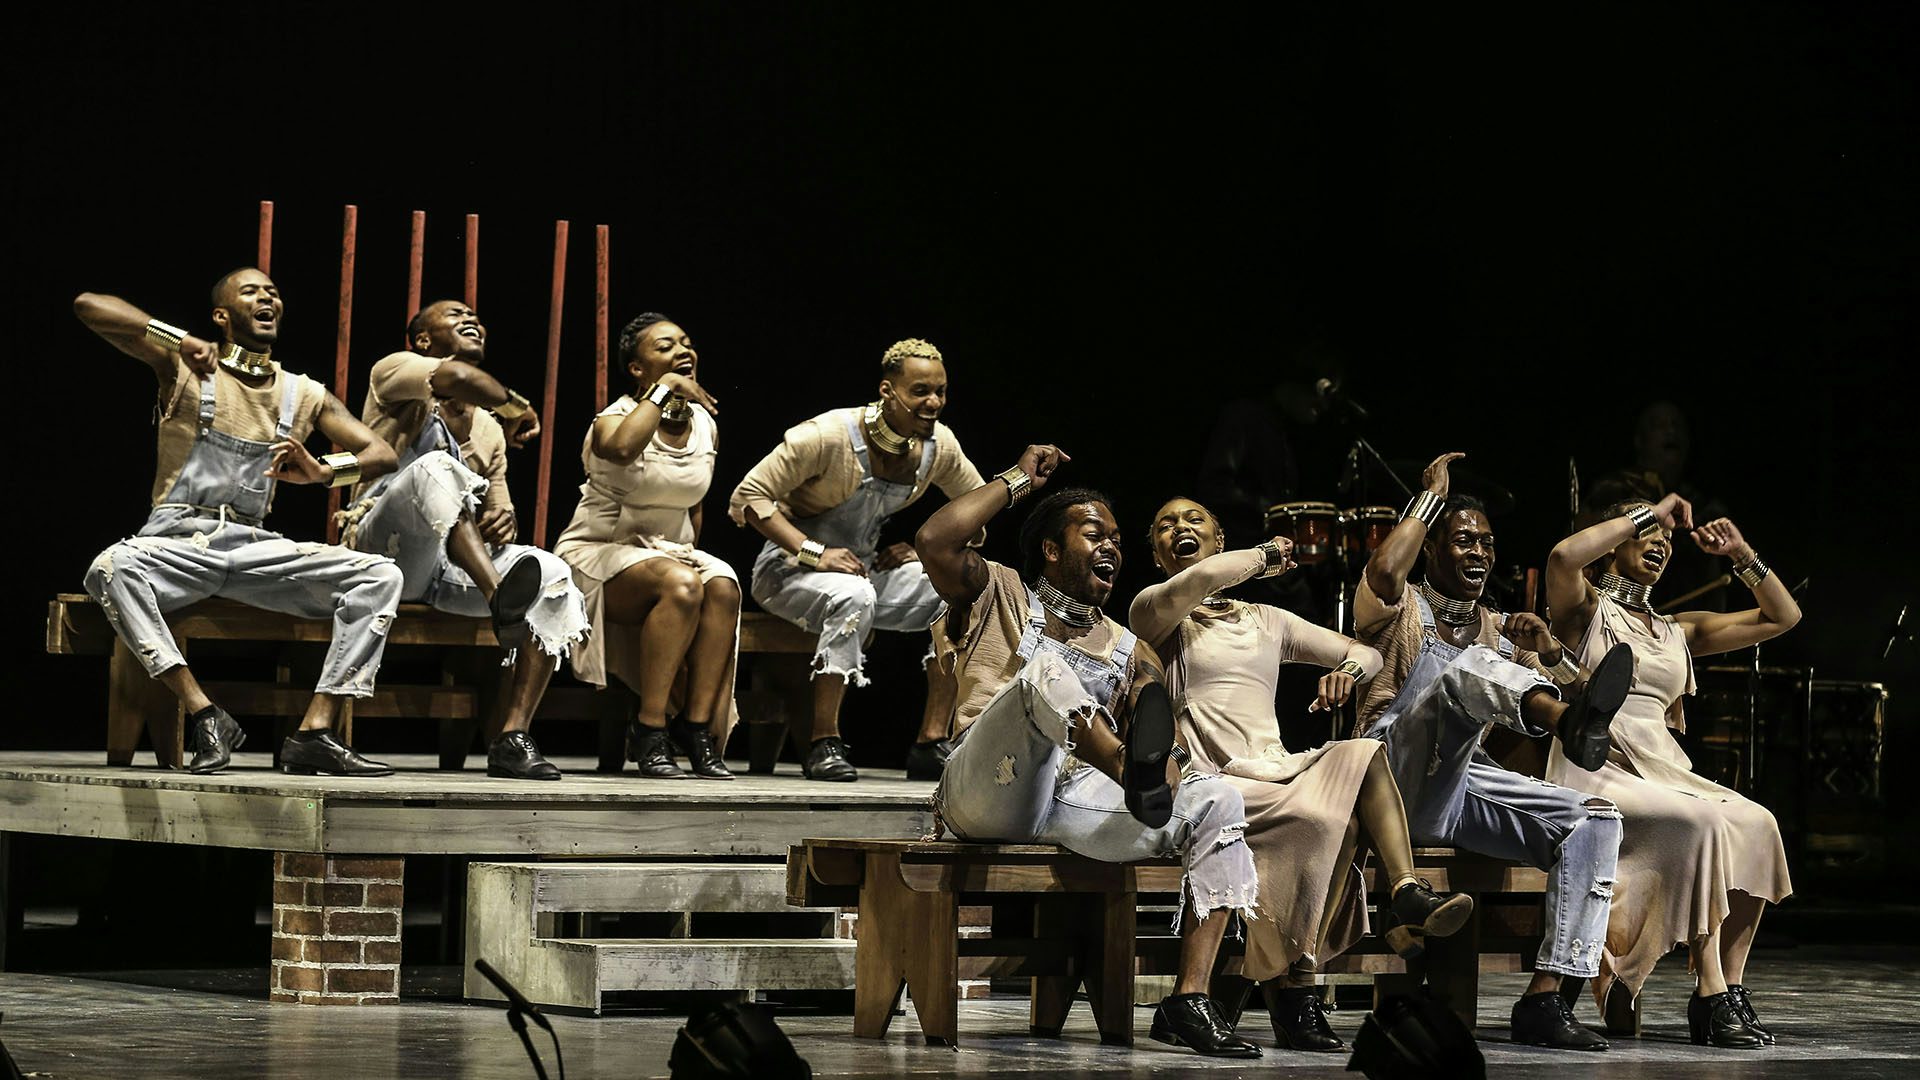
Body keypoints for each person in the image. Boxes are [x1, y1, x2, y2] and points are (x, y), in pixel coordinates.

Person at [917, 450, 1261, 1058]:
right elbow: (935, 538)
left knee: (1218, 799)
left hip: (1073, 801)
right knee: (1041, 670)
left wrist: (1172, 775)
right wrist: (1019, 478)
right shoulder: (1001, 591)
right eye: (1094, 533)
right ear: (1052, 549)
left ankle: (1190, 999)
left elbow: (1167, 737)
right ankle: (1127, 765)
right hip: (987, 790)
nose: (1112, 546)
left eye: (1118, 538)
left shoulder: (1130, 648)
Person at [1131, 497, 1472, 1051]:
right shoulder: (1155, 614)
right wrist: (1265, 555)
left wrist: (1346, 672)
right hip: (1215, 779)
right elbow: (1196, 584)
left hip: (1275, 767)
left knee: (1360, 755)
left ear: (1219, 539)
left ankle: (1406, 890)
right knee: (1330, 818)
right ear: (1156, 554)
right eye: (1166, 524)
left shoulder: (1266, 620)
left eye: (1195, 520)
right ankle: (1297, 988)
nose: (1180, 528)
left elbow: (1368, 654)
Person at [1353, 452, 1635, 1051]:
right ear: (1430, 549)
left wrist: (1552, 652)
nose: (1480, 552)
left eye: (1487, 542)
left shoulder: (1496, 626)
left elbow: (1592, 692)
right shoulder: (1397, 606)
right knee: (1470, 670)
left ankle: (1547, 995)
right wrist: (1430, 498)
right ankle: (1560, 722)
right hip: (1387, 782)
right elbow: (1382, 570)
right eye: (1462, 541)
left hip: (1454, 789)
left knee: (1595, 822)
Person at [76, 269, 403, 777]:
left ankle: (315, 732)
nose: (267, 295)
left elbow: (381, 452)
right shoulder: (186, 369)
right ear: (222, 316)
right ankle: (206, 714)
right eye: (251, 291)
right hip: (179, 542)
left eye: (273, 290)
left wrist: (323, 471)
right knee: (110, 567)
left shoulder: (302, 393)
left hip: (252, 543)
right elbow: (89, 304)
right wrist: (180, 338)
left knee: (381, 575)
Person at [1545, 496, 1799, 1048]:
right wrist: (1654, 509)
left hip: (1663, 768)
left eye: (1666, 538)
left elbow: (1783, 616)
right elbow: (1563, 556)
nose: (1660, 542)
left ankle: (1730, 988)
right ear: (1614, 542)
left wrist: (1741, 553)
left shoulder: (1676, 629)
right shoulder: (1584, 611)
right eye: (1647, 533)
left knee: (1758, 824)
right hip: (1596, 765)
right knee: (1701, 823)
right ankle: (1708, 996)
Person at [339, 300, 588, 780]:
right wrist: (519, 405)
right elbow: (456, 378)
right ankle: (501, 600)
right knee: (437, 466)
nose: (472, 317)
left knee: (553, 573)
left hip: (449, 569)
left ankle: (513, 737)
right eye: (454, 314)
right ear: (424, 341)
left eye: (476, 314)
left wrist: (502, 522)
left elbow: (500, 507)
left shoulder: (489, 429)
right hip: (382, 555)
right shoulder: (396, 372)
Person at [728, 338, 983, 781]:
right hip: (787, 570)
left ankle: (931, 741)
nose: (933, 402)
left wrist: (927, 548)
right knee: (854, 595)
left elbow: (978, 510)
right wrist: (815, 552)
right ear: (887, 391)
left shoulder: (937, 446)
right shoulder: (826, 435)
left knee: (959, 592)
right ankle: (822, 741)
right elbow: (748, 497)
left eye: (940, 391)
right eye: (920, 391)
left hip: (861, 568)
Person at [555, 313, 739, 779]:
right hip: (598, 549)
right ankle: (650, 728)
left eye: (687, 342)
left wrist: (693, 550)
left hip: (667, 552)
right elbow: (620, 450)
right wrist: (663, 390)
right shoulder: (611, 419)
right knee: (682, 585)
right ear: (637, 369)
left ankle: (696, 727)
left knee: (722, 585)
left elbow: (693, 502)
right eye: (665, 347)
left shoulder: (703, 424)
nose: (683, 351)